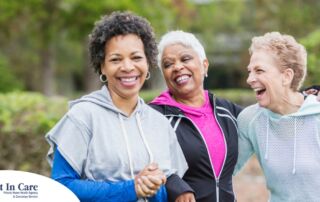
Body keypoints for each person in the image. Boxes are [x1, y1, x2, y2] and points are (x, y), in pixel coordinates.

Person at [45, 11, 189, 202]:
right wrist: (131, 188)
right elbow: (61, 185)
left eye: (136, 57)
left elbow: (169, 177)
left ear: (148, 62)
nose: (128, 67)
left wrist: (176, 189)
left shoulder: (160, 124)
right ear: (102, 66)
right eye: (115, 59)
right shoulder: (82, 116)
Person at [149, 30, 243, 202]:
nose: (177, 67)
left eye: (185, 59)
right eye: (168, 64)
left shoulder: (226, 110)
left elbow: (268, 116)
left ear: (204, 65)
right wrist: (175, 186)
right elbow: (144, 161)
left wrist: (301, 98)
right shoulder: (154, 115)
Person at [235, 32, 320, 201]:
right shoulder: (250, 119)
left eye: (259, 70)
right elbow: (221, 170)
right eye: (250, 71)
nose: (250, 79)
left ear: (286, 76)